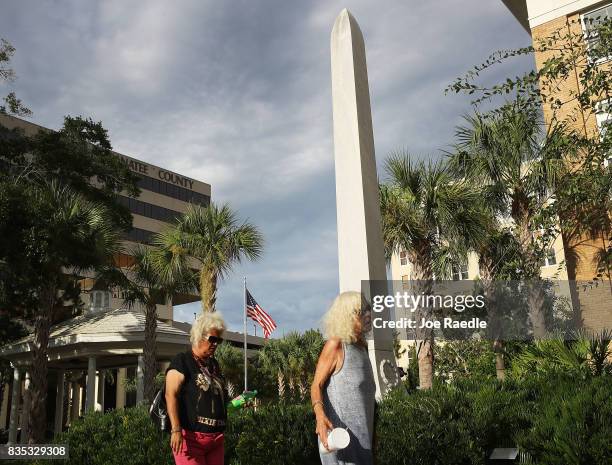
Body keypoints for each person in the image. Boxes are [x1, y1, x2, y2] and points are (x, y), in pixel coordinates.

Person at [311, 291, 376, 465]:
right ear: (346, 316)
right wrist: (319, 416)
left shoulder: (362, 348)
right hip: (340, 442)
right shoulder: (336, 345)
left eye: (368, 309)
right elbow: (316, 385)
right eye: (361, 311)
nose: (368, 314)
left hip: (364, 443)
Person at [166, 312, 228, 465]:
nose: (215, 344)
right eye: (212, 339)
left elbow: (218, 400)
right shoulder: (182, 361)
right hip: (191, 440)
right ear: (199, 335)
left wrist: (238, 402)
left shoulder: (214, 365)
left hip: (216, 440)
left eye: (218, 340)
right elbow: (170, 395)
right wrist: (175, 430)